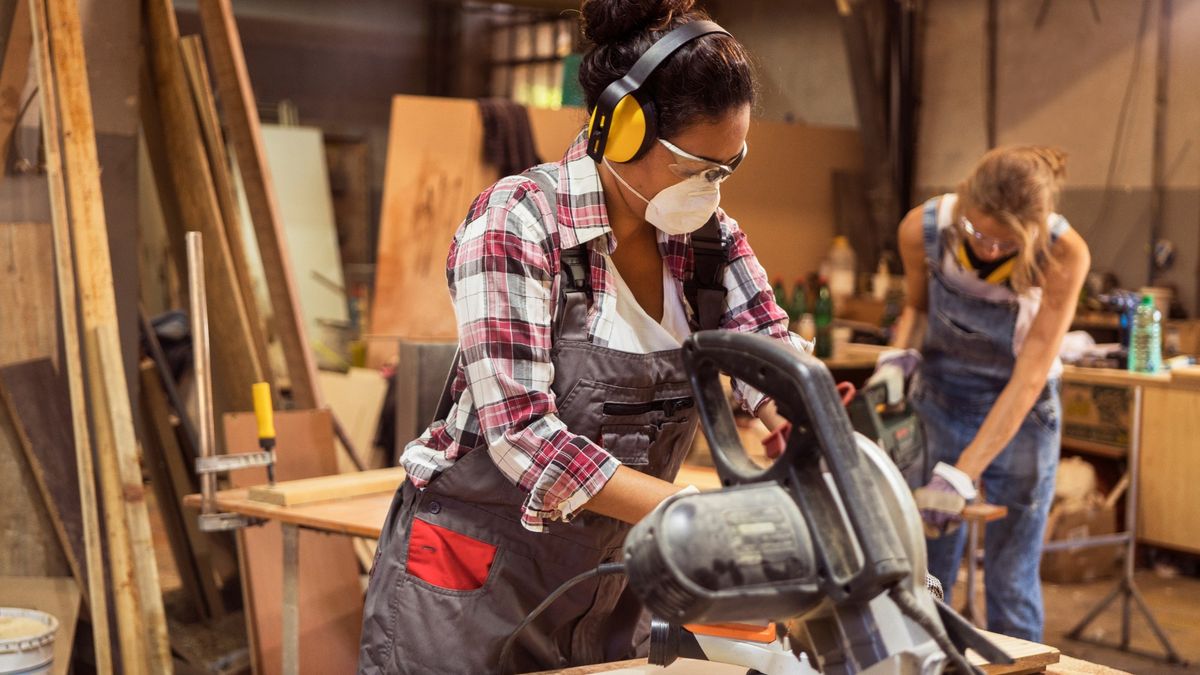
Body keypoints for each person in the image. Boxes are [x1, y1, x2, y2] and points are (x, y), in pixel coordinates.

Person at [357, 1, 809, 672]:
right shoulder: (518, 222)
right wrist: (692, 513)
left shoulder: (708, 244)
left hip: (606, 596)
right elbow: (523, 434)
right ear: (623, 128)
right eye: (694, 168)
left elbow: (769, 364)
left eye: (726, 169)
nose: (710, 192)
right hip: (470, 595)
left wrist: (799, 422)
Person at [885, 146, 1090, 641]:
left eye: (1008, 245)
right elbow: (916, 309)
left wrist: (962, 474)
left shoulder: (1064, 253)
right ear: (962, 203)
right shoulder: (922, 230)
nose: (990, 252)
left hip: (1024, 413)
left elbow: (1031, 375)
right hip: (940, 398)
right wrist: (895, 360)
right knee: (927, 571)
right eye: (980, 236)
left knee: (1012, 579)